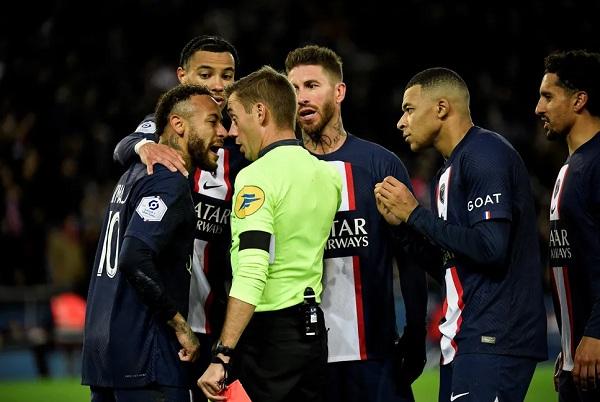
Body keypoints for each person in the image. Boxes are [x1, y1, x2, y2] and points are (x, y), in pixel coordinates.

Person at [375, 67, 548, 402]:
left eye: (409, 110)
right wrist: (404, 230)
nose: (401, 122)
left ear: (441, 108)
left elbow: (491, 248)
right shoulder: (448, 171)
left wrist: (415, 214)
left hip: (494, 338)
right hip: (465, 339)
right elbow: (451, 266)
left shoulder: (485, 155)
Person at [284, 45, 428, 402]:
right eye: (294, 88)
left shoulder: (379, 164)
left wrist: (415, 330)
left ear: (339, 91)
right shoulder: (277, 169)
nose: (302, 97)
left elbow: (409, 258)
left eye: (312, 85)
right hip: (304, 361)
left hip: (374, 357)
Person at [112, 35, 249, 390]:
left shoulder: (241, 149)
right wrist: (143, 145)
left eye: (227, 75)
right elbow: (124, 144)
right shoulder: (164, 137)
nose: (218, 85)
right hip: (165, 322)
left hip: (214, 323)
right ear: (182, 77)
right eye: (205, 75)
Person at [197, 65, 342, 402]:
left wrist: (222, 355)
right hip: (312, 333)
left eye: (234, 117)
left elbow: (252, 270)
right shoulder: (327, 176)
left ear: (260, 112)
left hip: (268, 339)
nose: (232, 132)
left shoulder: (256, 178)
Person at [82, 84, 226, 401]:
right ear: (179, 125)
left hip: (106, 352)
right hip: (147, 356)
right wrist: (180, 326)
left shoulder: (134, 174)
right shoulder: (168, 182)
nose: (224, 131)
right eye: (213, 121)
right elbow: (134, 256)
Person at [535, 49, 600, 401]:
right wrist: (570, 347)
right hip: (579, 356)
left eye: (548, 96)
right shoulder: (569, 169)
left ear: (579, 101)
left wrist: (596, 333)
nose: (538, 108)